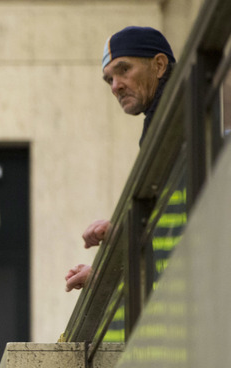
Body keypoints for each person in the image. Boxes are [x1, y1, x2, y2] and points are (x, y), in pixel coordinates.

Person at [65, 26, 177, 292]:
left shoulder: (177, 113)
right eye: (109, 80)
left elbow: (177, 217)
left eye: (124, 70)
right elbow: (166, 216)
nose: (116, 86)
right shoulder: (161, 118)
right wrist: (117, 234)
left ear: (159, 65)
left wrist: (108, 273)